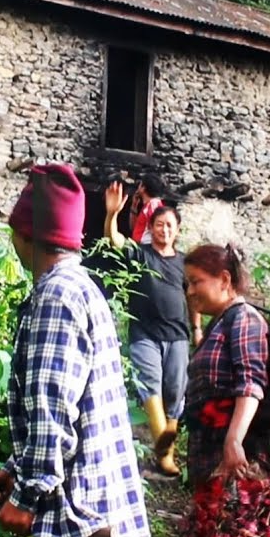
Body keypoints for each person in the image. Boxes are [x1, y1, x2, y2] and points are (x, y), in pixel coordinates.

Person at [0, 163, 150, 537]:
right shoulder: (80, 287)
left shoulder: (56, 295)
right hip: (87, 510)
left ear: (26, 233)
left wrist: (28, 492)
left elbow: (52, 406)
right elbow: (71, 402)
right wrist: (17, 469)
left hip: (73, 516)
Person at [103, 181, 199, 476]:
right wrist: (111, 215)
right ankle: (165, 455)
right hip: (144, 334)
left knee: (175, 394)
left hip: (178, 336)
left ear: (177, 230)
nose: (164, 230)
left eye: (170, 226)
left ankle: (163, 452)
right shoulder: (140, 254)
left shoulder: (184, 263)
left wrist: (197, 328)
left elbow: (192, 298)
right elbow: (114, 240)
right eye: (159, 225)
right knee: (150, 389)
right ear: (152, 227)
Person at [182, 243, 270, 489]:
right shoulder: (218, 324)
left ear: (224, 279)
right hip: (211, 453)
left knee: (234, 522)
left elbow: (251, 383)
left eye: (196, 281)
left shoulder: (244, 318)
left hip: (235, 461)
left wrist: (233, 441)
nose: (190, 291)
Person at [128, 174, 166, 245]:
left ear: (143, 188)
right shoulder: (148, 205)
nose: (138, 187)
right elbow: (134, 227)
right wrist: (134, 206)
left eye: (140, 184)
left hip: (146, 248)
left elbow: (156, 230)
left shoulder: (153, 205)